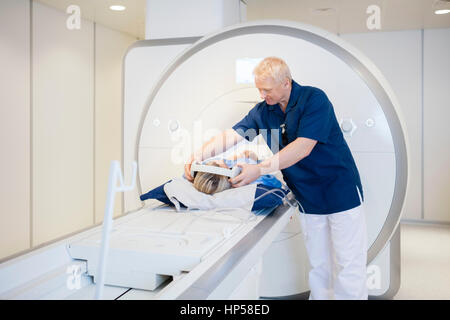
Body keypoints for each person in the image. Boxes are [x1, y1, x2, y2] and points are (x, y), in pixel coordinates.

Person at [184, 56, 368, 300]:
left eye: (267, 89)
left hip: (340, 191)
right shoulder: (264, 111)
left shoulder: (314, 100)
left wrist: (259, 169)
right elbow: (233, 135)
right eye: (259, 89)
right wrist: (199, 154)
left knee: (348, 265)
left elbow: (303, 147)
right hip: (308, 197)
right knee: (319, 266)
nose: (262, 94)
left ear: (286, 83)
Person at [192, 150, 282, 194]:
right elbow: (277, 184)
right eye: (220, 162)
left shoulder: (207, 172)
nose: (222, 160)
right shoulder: (250, 176)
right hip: (256, 162)